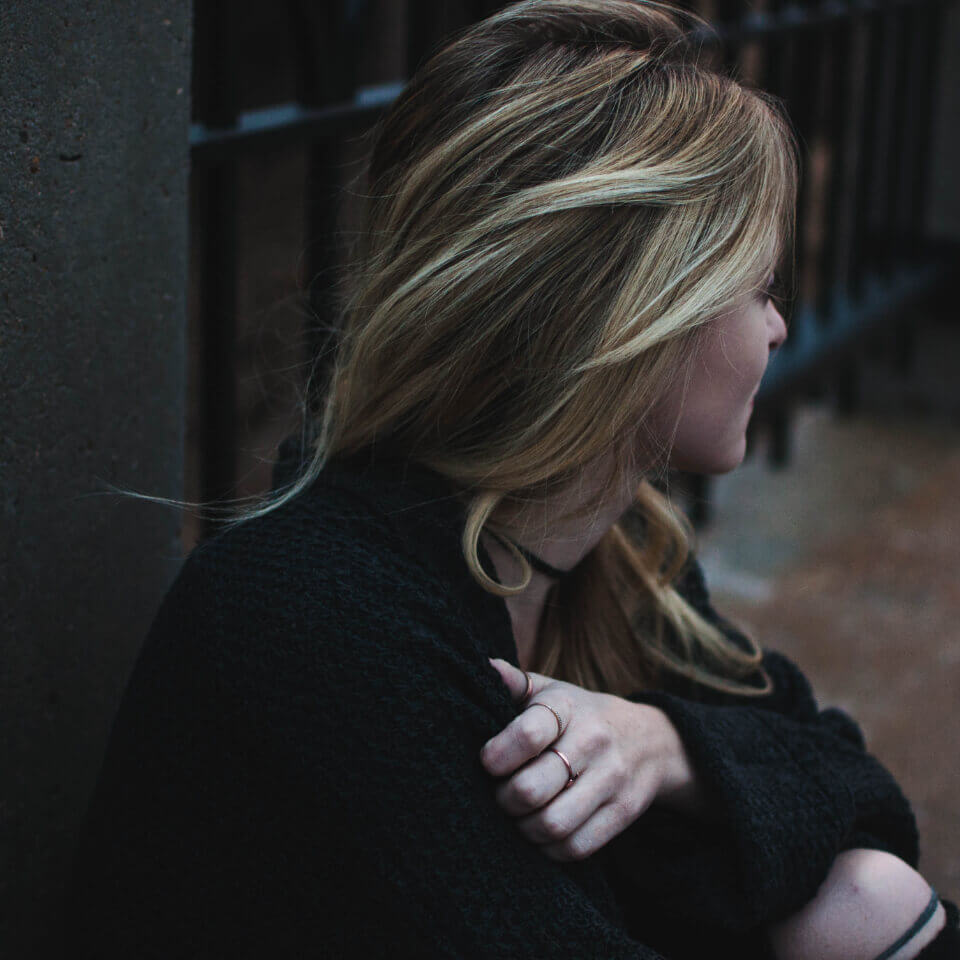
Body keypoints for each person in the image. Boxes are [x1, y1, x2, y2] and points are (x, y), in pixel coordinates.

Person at [66, 1, 958, 957]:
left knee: (865, 899)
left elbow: (862, 797)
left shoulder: (608, 557)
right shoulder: (310, 618)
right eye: (760, 288)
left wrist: (666, 747)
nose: (779, 327)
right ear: (633, 313)